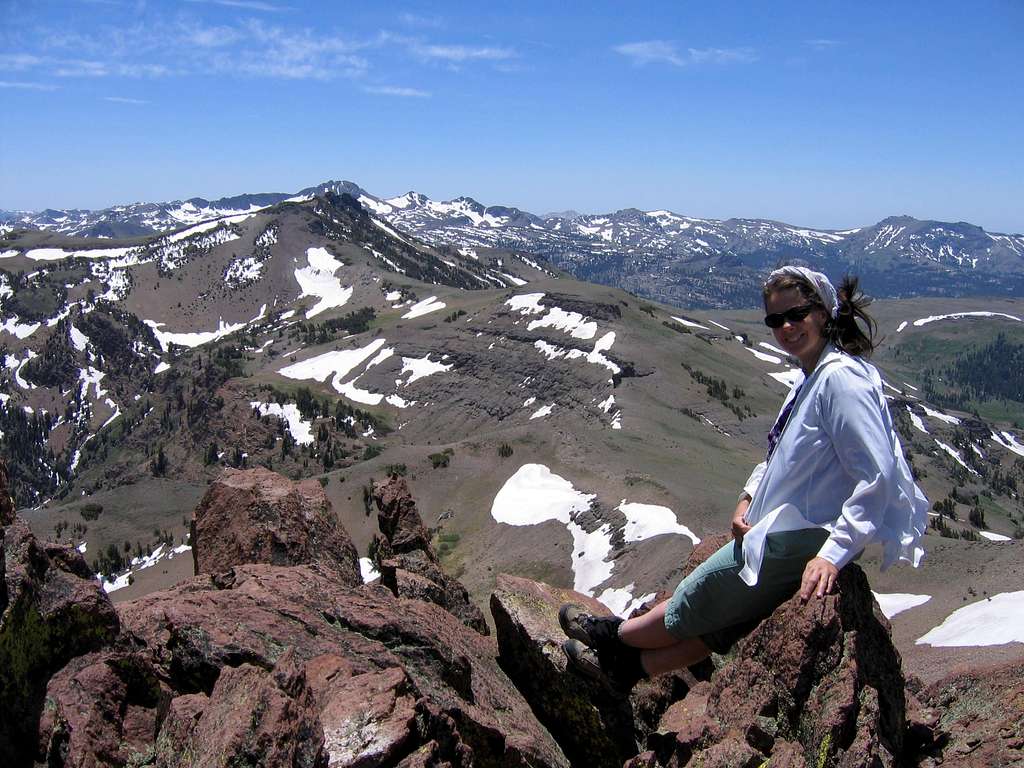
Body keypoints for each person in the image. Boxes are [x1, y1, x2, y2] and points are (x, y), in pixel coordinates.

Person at [560, 266, 928, 692]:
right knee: (726, 624)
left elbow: (876, 473)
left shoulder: (840, 381)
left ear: (824, 313)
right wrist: (747, 497)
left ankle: (609, 639)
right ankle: (625, 673)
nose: (786, 327)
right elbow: (780, 454)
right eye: (775, 320)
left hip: (802, 534)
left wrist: (832, 555)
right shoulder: (815, 375)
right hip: (787, 526)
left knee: (695, 597)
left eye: (797, 314)